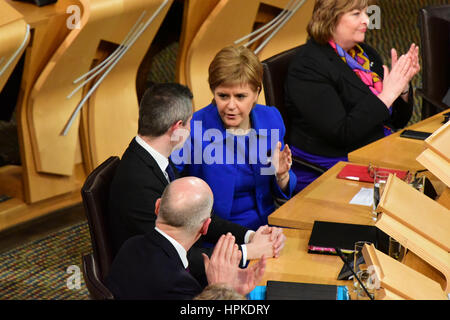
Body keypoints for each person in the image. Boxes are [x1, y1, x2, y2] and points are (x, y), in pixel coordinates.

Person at [107, 82, 285, 284]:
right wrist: (246, 253)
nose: (191, 129)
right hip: (161, 284)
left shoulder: (156, 160)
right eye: (189, 123)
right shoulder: (137, 182)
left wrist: (250, 236)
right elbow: (168, 256)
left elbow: (198, 215)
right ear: (177, 128)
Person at [285, 0, 420, 192]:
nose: (367, 20)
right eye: (356, 14)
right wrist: (387, 96)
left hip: (374, 150)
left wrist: (402, 86)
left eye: (366, 12)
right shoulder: (308, 67)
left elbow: (397, 120)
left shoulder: (366, 55)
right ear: (329, 19)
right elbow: (342, 133)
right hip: (329, 167)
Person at [172, 46, 297, 231]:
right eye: (223, 96)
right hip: (215, 234)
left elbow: (284, 188)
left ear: (256, 93)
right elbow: (166, 180)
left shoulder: (271, 118)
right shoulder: (194, 127)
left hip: (268, 226)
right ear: (213, 91)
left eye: (240, 96)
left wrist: (282, 175)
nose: (231, 105)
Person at [105, 177, 266, 300]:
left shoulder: (130, 245)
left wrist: (232, 291)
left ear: (157, 207)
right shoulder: (180, 285)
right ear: (205, 227)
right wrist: (221, 292)